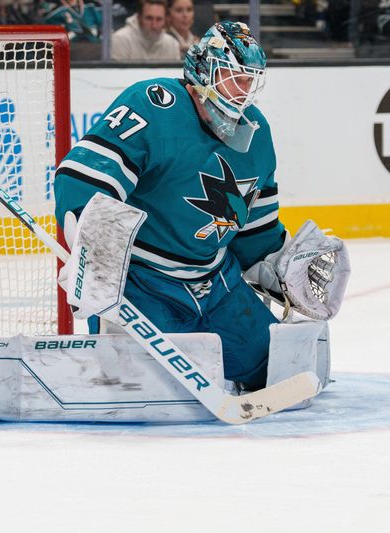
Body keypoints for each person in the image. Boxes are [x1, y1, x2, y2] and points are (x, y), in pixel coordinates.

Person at [55, 21, 282, 391]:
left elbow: (255, 225)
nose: (241, 93)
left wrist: (278, 265)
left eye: (249, 81)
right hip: (143, 282)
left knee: (273, 371)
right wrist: (91, 257)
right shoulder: (154, 103)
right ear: (203, 71)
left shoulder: (257, 132)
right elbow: (83, 177)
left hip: (218, 283)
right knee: (150, 388)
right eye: (231, 77)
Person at [111, 0, 180, 61]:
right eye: (149, 18)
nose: (154, 25)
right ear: (139, 18)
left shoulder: (173, 45)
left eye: (159, 19)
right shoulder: (121, 40)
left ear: (165, 20)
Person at [37, 0, 102, 43]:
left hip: (95, 48)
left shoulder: (91, 5)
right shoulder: (52, 8)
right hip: (69, 51)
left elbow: (104, 27)